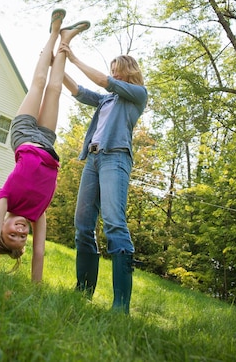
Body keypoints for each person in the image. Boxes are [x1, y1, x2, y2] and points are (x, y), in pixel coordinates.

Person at [0, 9, 90, 283]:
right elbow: (39, 254)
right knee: (55, 88)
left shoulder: (5, 200)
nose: (21, 232)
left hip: (24, 137)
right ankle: (66, 40)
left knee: (38, 82)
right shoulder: (38, 215)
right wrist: (36, 292)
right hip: (47, 144)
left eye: (11, 234)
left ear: (3, 226)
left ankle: (53, 31)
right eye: (21, 238)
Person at [60, 47, 148, 313]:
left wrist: (74, 58)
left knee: (113, 223)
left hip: (116, 158)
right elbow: (79, 90)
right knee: (83, 225)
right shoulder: (106, 100)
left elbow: (102, 81)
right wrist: (59, 65)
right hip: (94, 160)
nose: (111, 74)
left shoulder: (137, 95)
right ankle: (83, 291)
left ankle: (121, 305)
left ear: (126, 71)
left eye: (115, 70)